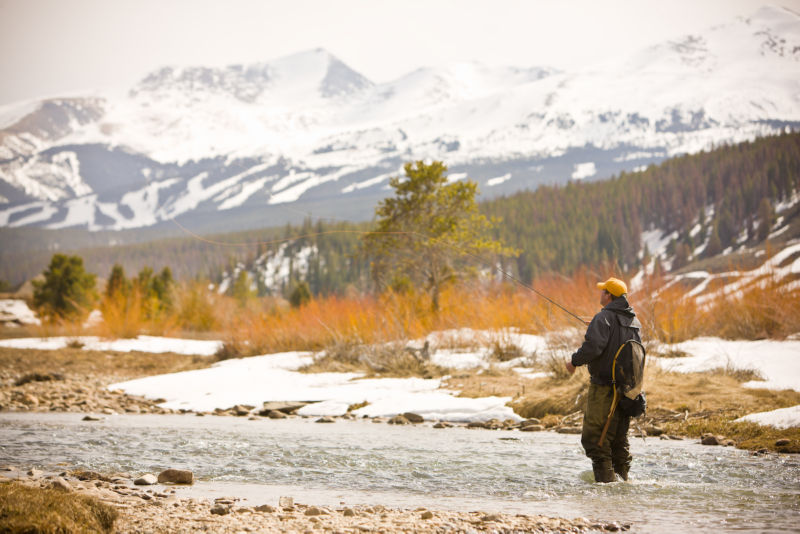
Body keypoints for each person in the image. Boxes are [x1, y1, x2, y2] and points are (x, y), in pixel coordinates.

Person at [565, 277, 641, 483]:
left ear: (609, 295)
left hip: (604, 389)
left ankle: (605, 490)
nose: (600, 294)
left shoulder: (604, 317)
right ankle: (623, 486)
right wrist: (597, 325)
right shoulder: (633, 320)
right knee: (617, 441)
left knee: (595, 440)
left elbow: (593, 348)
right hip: (627, 391)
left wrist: (573, 362)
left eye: (603, 291)